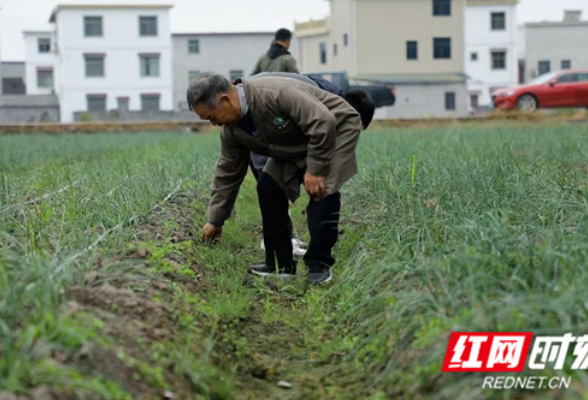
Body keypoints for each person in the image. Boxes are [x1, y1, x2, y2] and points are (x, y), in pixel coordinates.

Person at [188, 72, 362, 284]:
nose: (214, 124)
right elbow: (228, 173)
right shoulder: (231, 131)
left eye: (212, 117)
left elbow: (322, 121)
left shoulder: (275, 93)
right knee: (268, 188)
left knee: (321, 189)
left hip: (334, 130)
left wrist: (316, 170)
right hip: (295, 140)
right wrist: (215, 220)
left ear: (225, 100)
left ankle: (319, 266)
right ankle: (280, 265)